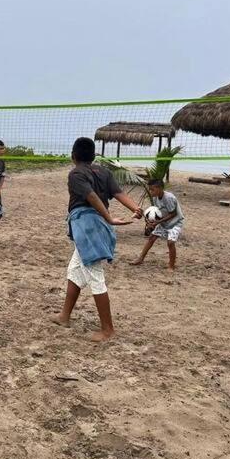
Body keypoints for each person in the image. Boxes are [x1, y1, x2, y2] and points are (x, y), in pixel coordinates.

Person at [52, 137, 142, 342]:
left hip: (88, 226)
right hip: (95, 226)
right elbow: (119, 193)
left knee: (94, 274)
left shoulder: (75, 173)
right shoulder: (103, 171)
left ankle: (107, 329)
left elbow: (92, 197)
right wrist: (135, 208)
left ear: (73, 156)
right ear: (93, 156)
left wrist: (109, 217)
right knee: (74, 269)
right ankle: (64, 316)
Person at [130, 179, 184, 270]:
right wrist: (151, 223)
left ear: (160, 188)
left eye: (152, 189)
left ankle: (171, 265)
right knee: (151, 238)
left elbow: (173, 213)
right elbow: (157, 212)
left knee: (170, 243)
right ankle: (140, 259)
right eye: (150, 189)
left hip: (175, 223)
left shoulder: (169, 198)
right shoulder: (155, 198)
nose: (150, 192)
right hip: (164, 222)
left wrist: (157, 222)